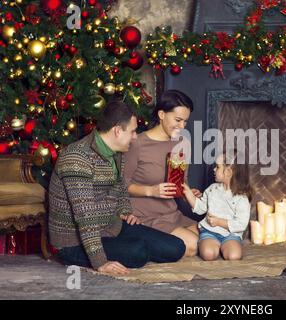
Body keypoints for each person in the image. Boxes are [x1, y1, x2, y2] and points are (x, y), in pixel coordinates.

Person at [48, 100, 186, 276]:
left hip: (111, 227)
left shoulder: (117, 152)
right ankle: (122, 250)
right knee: (138, 253)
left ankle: (126, 247)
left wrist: (125, 211)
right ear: (117, 130)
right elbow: (86, 217)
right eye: (133, 131)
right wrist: (100, 263)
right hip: (73, 242)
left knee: (176, 248)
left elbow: (120, 187)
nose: (136, 137)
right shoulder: (77, 158)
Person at [123, 90, 201, 257]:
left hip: (172, 213)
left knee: (208, 239)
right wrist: (151, 190)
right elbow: (122, 184)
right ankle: (144, 241)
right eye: (178, 120)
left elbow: (182, 182)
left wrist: (189, 193)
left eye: (185, 122)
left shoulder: (183, 143)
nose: (182, 127)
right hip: (146, 216)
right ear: (161, 114)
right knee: (193, 246)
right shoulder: (137, 143)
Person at [182, 150, 252, 261]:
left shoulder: (241, 198)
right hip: (210, 232)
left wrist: (219, 222)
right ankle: (213, 245)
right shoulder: (212, 189)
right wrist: (188, 194)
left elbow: (241, 224)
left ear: (228, 172)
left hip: (231, 235)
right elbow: (200, 208)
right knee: (208, 254)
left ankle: (226, 246)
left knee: (234, 256)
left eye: (218, 167)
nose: (214, 169)